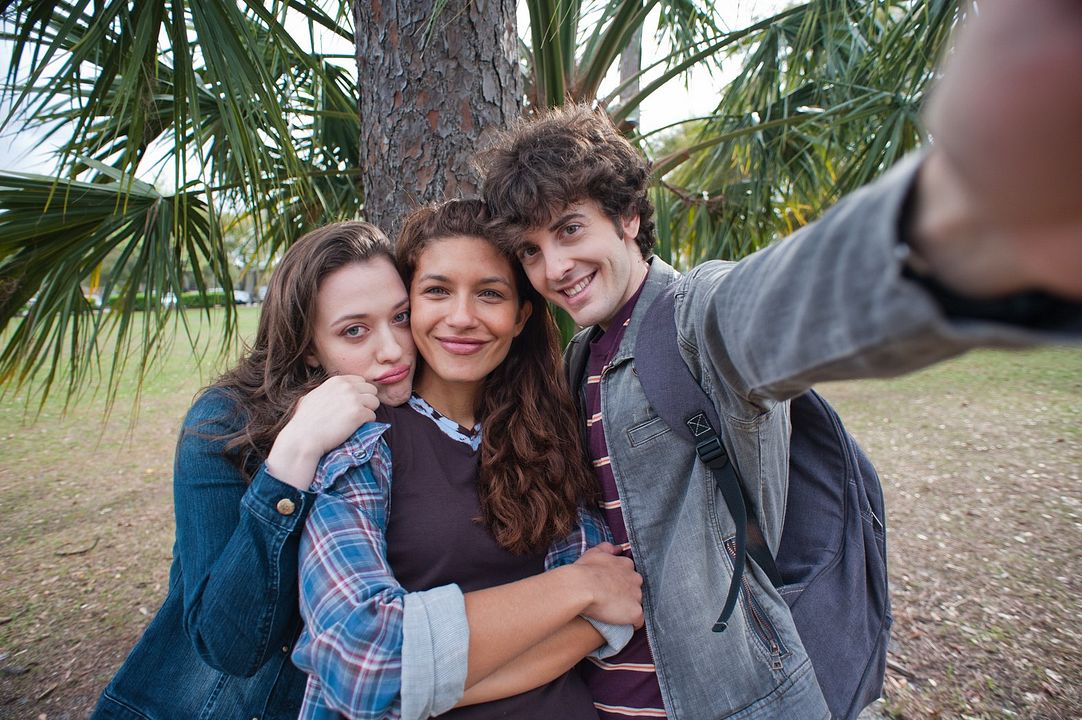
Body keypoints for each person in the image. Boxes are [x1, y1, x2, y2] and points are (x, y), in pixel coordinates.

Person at [478, 3, 1082, 718]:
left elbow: (785, 301)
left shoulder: (694, 316)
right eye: (531, 251)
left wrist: (961, 216)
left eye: (570, 229)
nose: (555, 267)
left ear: (629, 217)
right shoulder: (578, 362)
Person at [292, 199, 644, 720]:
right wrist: (575, 587)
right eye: (437, 291)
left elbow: (614, 611)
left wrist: (423, 686)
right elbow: (364, 665)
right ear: (409, 304)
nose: (461, 317)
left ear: (522, 316)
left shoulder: (546, 431)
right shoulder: (360, 446)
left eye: (490, 294)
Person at [91, 221, 416, 719]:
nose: (392, 349)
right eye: (355, 330)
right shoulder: (223, 424)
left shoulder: (427, 409)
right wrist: (293, 458)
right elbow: (229, 646)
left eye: (402, 317)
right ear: (308, 346)